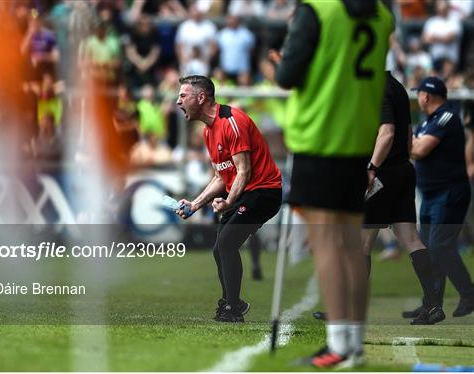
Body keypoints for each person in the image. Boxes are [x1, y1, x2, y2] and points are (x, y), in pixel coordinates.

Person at [272, 0, 393, 368]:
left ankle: (338, 346)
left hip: (320, 137)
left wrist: (279, 58)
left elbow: (287, 76)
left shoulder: (318, 10)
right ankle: (353, 344)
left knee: (325, 243)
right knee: (351, 246)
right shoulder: (382, 15)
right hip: (357, 139)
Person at [313, 71, 446, 325]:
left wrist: (372, 168)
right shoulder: (396, 86)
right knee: (410, 238)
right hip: (402, 170)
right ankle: (433, 305)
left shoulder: (378, 88)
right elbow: (407, 134)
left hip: (381, 174)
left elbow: (387, 132)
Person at [175, 75, 282, 322]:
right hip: (246, 192)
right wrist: (195, 204)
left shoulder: (232, 122)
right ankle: (232, 304)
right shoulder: (208, 132)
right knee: (219, 248)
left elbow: (243, 171)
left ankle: (232, 307)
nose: (178, 101)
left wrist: (228, 202)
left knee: (226, 243)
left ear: (201, 98)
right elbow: (220, 177)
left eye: (183, 96)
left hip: (264, 191)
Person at [409, 76, 474, 318]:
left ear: (426, 95)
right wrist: (413, 145)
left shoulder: (446, 117)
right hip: (430, 194)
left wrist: (412, 144)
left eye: (419, 94)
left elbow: (419, 150)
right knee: (429, 249)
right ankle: (431, 303)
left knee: (440, 245)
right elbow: (415, 149)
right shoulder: (427, 123)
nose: (418, 98)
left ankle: (468, 293)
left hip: (449, 193)